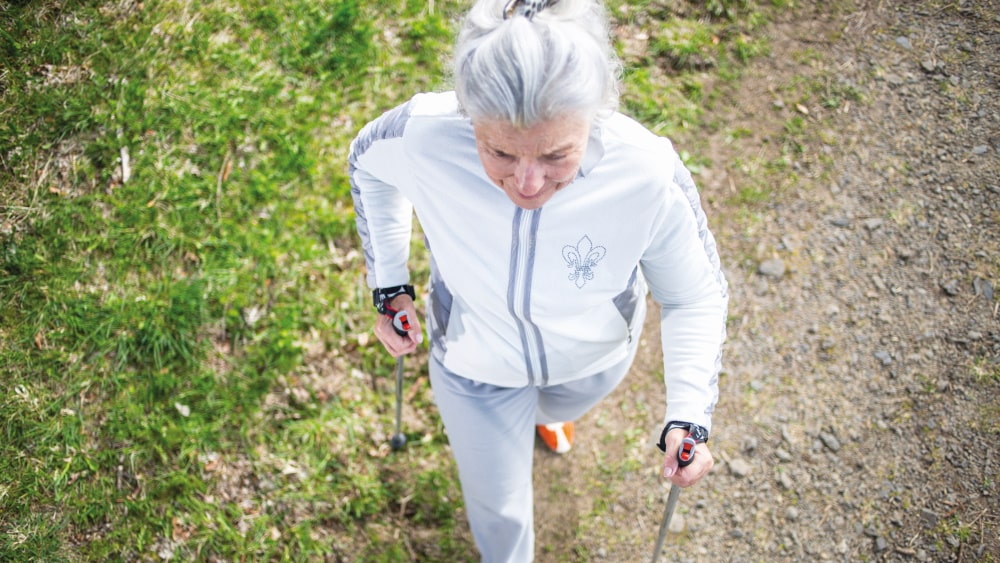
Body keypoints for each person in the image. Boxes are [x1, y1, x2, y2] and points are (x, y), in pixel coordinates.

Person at [348, 0, 728, 560]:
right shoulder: (424, 135)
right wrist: (389, 284)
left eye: (556, 154)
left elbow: (693, 295)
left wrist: (689, 416)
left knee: (555, 405)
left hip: (591, 364)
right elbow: (368, 164)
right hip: (474, 369)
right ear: (466, 112)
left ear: (596, 113)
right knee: (498, 508)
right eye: (498, 150)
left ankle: (547, 417)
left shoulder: (647, 174)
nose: (527, 183)